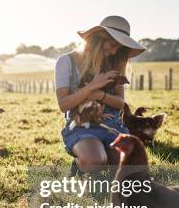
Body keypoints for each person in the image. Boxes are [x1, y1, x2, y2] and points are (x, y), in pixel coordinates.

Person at [54, 16, 146, 173]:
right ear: (98, 39)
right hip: (82, 125)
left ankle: (105, 157)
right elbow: (64, 105)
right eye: (112, 44)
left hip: (113, 127)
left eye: (119, 48)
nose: (114, 51)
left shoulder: (115, 63)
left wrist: (99, 95)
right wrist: (92, 86)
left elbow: (119, 103)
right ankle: (84, 161)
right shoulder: (66, 62)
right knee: (95, 161)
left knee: (132, 167)